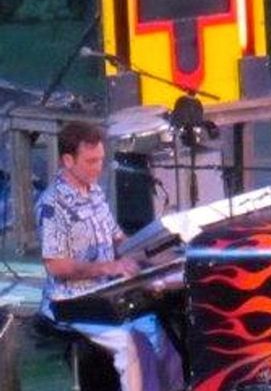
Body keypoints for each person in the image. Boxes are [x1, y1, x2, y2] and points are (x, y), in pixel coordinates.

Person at [37, 121, 185, 391]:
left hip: (107, 291)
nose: (98, 168)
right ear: (68, 161)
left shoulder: (94, 191)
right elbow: (56, 266)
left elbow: (117, 238)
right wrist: (108, 267)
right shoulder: (52, 204)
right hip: (72, 301)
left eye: (101, 160)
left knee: (160, 331)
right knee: (131, 344)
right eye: (91, 161)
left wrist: (151, 255)